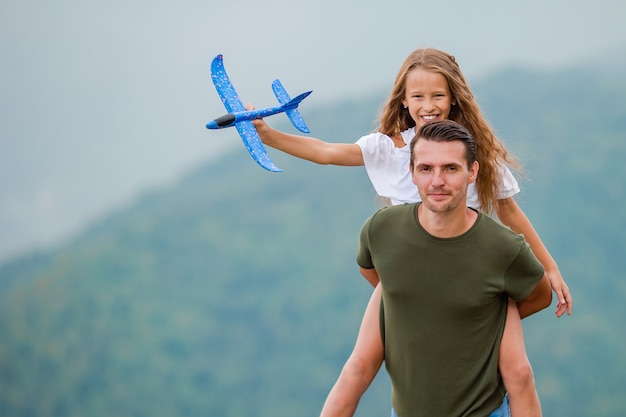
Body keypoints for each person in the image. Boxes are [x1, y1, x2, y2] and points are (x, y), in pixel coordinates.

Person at [250, 48, 572, 415]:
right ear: (404, 101)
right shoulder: (386, 150)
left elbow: (509, 211)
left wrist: (550, 266)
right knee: (357, 368)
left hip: (477, 273)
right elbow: (325, 152)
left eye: (437, 95)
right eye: (418, 96)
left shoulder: (470, 152)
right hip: (406, 268)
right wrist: (269, 136)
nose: (428, 104)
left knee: (518, 372)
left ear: (453, 99)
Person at [329, 120, 552, 416]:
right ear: (411, 172)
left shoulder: (504, 249)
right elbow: (375, 273)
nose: (437, 181)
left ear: (472, 172)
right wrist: (423, 309)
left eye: (450, 168)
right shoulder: (381, 231)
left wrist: (481, 320)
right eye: (425, 168)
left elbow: (540, 295)